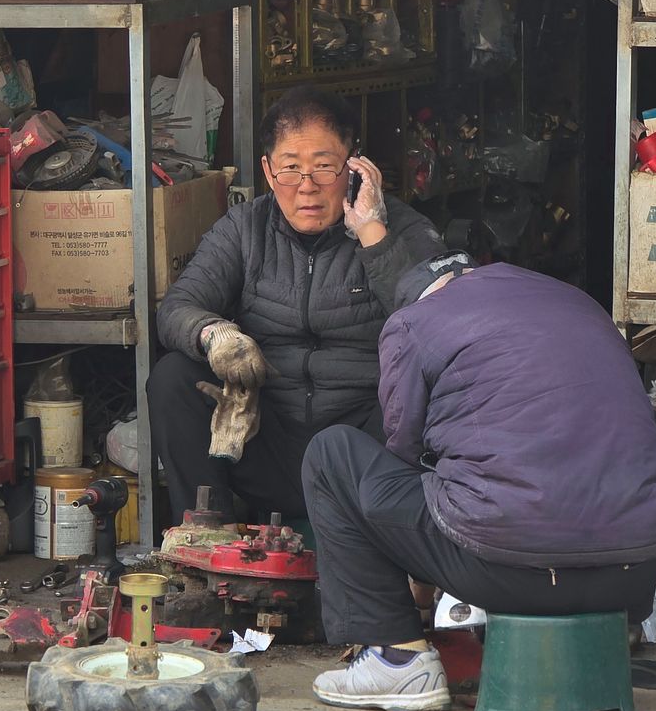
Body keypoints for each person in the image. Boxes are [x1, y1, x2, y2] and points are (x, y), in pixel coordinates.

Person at [304, 256, 656, 711]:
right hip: (633, 579)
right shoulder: (581, 304)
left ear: (424, 297)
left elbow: (404, 449)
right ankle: (614, 635)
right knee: (648, 435)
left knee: (332, 454)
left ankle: (396, 659)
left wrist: (418, 577)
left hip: (508, 571)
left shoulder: (416, 322)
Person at [149, 86, 443, 525]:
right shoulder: (245, 228)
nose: (307, 187)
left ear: (355, 165)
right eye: (290, 169)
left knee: (427, 384)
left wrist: (372, 233)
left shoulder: (401, 228)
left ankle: (398, 541)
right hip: (264, 440)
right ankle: (206, 534)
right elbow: (178, 306)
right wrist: (214, 335)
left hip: (365, 452)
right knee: (173, 376)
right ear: (268, 172)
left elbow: (438, 322)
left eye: (324, 167)